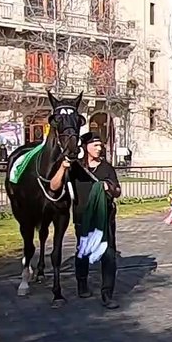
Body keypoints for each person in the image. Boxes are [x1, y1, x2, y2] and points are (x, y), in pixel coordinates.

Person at [51, 132, 122, 308]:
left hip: (105, 218)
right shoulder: (76, 168)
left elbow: (118, 191)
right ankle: (82, 283)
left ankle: (107, 294)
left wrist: (108, 187)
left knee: (109, 255)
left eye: (100, 145)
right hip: (83, 217)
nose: (99, 149)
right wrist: (62, 167)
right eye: (95, 145)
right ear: (85, 147)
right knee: (83, 251)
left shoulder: (106, 167)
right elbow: (53, 186)